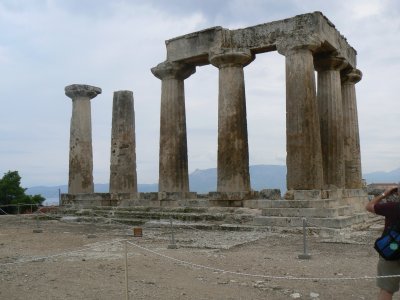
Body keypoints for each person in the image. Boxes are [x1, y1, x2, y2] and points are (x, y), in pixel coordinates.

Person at [366, 186, 400, 300]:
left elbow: (369, 206)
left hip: (392, 250)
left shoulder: (392, 207)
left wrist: (384, 194)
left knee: (386, 290)